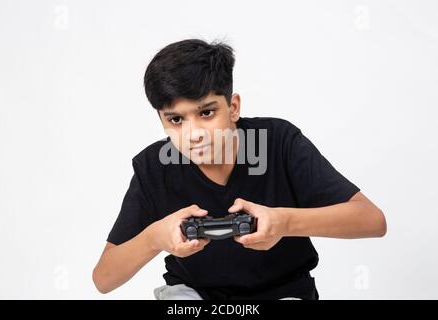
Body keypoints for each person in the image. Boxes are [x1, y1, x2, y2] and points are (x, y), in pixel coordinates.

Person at [92, 39, 387, 300]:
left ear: (233, 107)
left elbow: (372, 220)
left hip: (285, 293)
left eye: (206, 113)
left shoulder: (279, 142)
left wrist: (284, 222)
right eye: (176, 120)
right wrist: (154, 238)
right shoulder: (153, 167)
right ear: (161, 120)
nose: (193, 134)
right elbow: (104, 279)